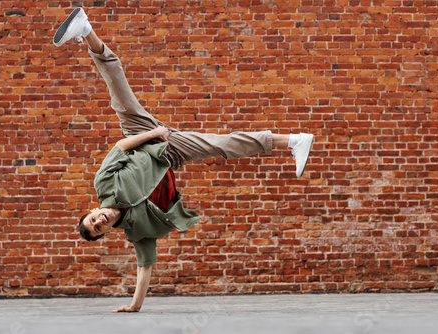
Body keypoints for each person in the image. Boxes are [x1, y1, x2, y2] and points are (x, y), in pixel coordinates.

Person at [53, 7, 314, 313]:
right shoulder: (136, 231)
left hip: (144, 136)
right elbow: (145, 266)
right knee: (223, 145)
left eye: (93, 219)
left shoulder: (104, 184)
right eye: (98, 229)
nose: (99, 222)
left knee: (117, 87)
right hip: (170, 152)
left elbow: (122, 146)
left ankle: (85, 29)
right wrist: (135, 305)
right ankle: (295, 140)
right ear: (106, 232)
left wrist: (157, 131)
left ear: (93, 210)